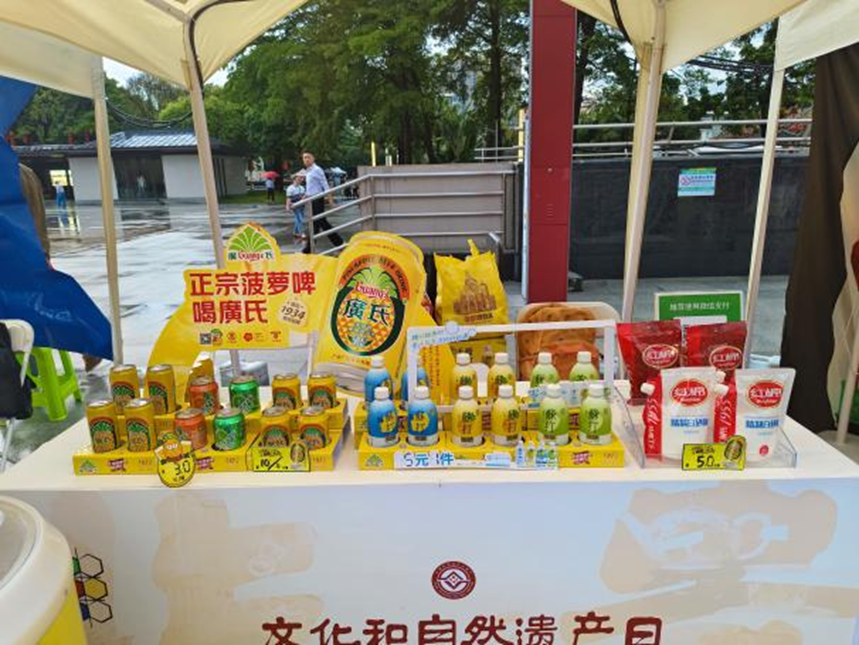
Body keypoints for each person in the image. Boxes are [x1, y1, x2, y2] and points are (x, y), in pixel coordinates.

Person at [19, 164, 101, 372]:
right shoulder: (25, 171)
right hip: (33, 250)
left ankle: (29, 375)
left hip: (16, 255)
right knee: (41, 307)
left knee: (28, 314)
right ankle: (89, 339)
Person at [301, 151, 344, 253]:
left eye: (308, 157)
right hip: (311, 200)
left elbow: (325, 185)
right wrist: (304, 196)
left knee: (319, 223)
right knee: (318, 223)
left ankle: (338, 243)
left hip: (318, 199)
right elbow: (311, 187)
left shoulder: (317, 170)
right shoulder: (308, 171)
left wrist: (331, 201)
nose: (306, 159)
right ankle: (338, 243)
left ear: (313, 158)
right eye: (304, 158)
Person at [285, 172, 306, 243]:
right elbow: (288, 198)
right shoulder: (290, 188)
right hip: (295, 206)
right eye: (299, 178)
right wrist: (287, 206)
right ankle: (301, 233)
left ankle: (295, 232)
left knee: (298, 219)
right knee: (300, 219)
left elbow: (304, 196)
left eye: (301, 178)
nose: (301, 179)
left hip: (302, 205)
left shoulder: (302, 188)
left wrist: (304, 198)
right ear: (295, 179)